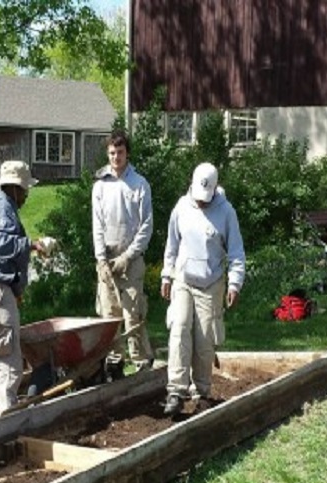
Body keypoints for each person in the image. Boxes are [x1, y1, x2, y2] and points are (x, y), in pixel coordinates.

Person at [160, 163, 245, 416]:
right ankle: (176, 390)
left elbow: (237, 253)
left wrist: (235, 283)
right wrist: (167, 275)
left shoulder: (226, 212)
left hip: (211, 283)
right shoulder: (181, 207)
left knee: (205, 337)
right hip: (184, 279)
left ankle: (202, 392)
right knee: (179, 329)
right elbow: (172, 246)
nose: (202, 202)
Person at [0, 160, 49, 421]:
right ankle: (6, 425)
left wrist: (12, 283)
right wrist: (34, 245)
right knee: (8, 365)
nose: (26, 194)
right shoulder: (3, 206)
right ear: (15, 188)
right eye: (25, 189)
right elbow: (3, 244)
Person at [92, 130, 155, 374]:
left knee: (133, 314)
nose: (115, 157)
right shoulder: (100, 186)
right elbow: (97, 224)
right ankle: (114, 362)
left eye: (120, 152)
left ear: (127, 153)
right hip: (106, 260)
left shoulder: (139, 184)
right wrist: (101, 259)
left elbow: (146, 226)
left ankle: (141, 362)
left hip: (131, 260)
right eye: (111, 153)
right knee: (109, 316)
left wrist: (127, 256)